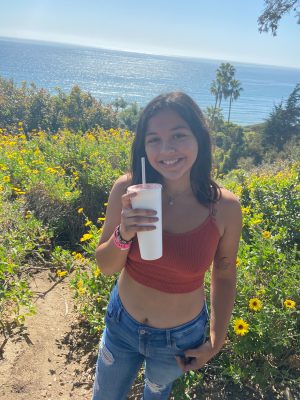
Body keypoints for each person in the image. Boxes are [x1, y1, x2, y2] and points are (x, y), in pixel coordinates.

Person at [92, 92, 242, 400]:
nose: (166, 150)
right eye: (154, 139)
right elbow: (106, 266)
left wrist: (216, 339)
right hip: (122, 324)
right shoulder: (128, 190)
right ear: (143, 146)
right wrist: (125, 232)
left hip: (180, 338)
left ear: (199, 138)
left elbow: (225, 274)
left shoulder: (224, 207)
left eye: (178, 135)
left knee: (157, 394)